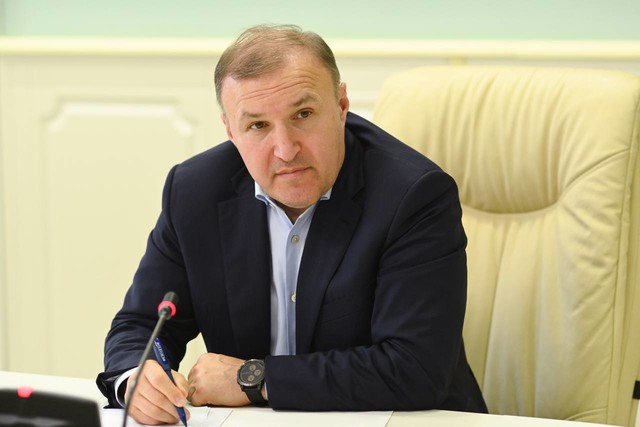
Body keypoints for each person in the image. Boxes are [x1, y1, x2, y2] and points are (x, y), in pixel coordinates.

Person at [96, 24, 488, 425]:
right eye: (258, 126)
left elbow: (413, 369)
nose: (285, 150)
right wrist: (136, 378)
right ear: (230, 131)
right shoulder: (195, 191)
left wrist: (254, 379)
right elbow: (142, 323)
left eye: (303, 115)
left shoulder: (413, 196)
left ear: (341, 105)